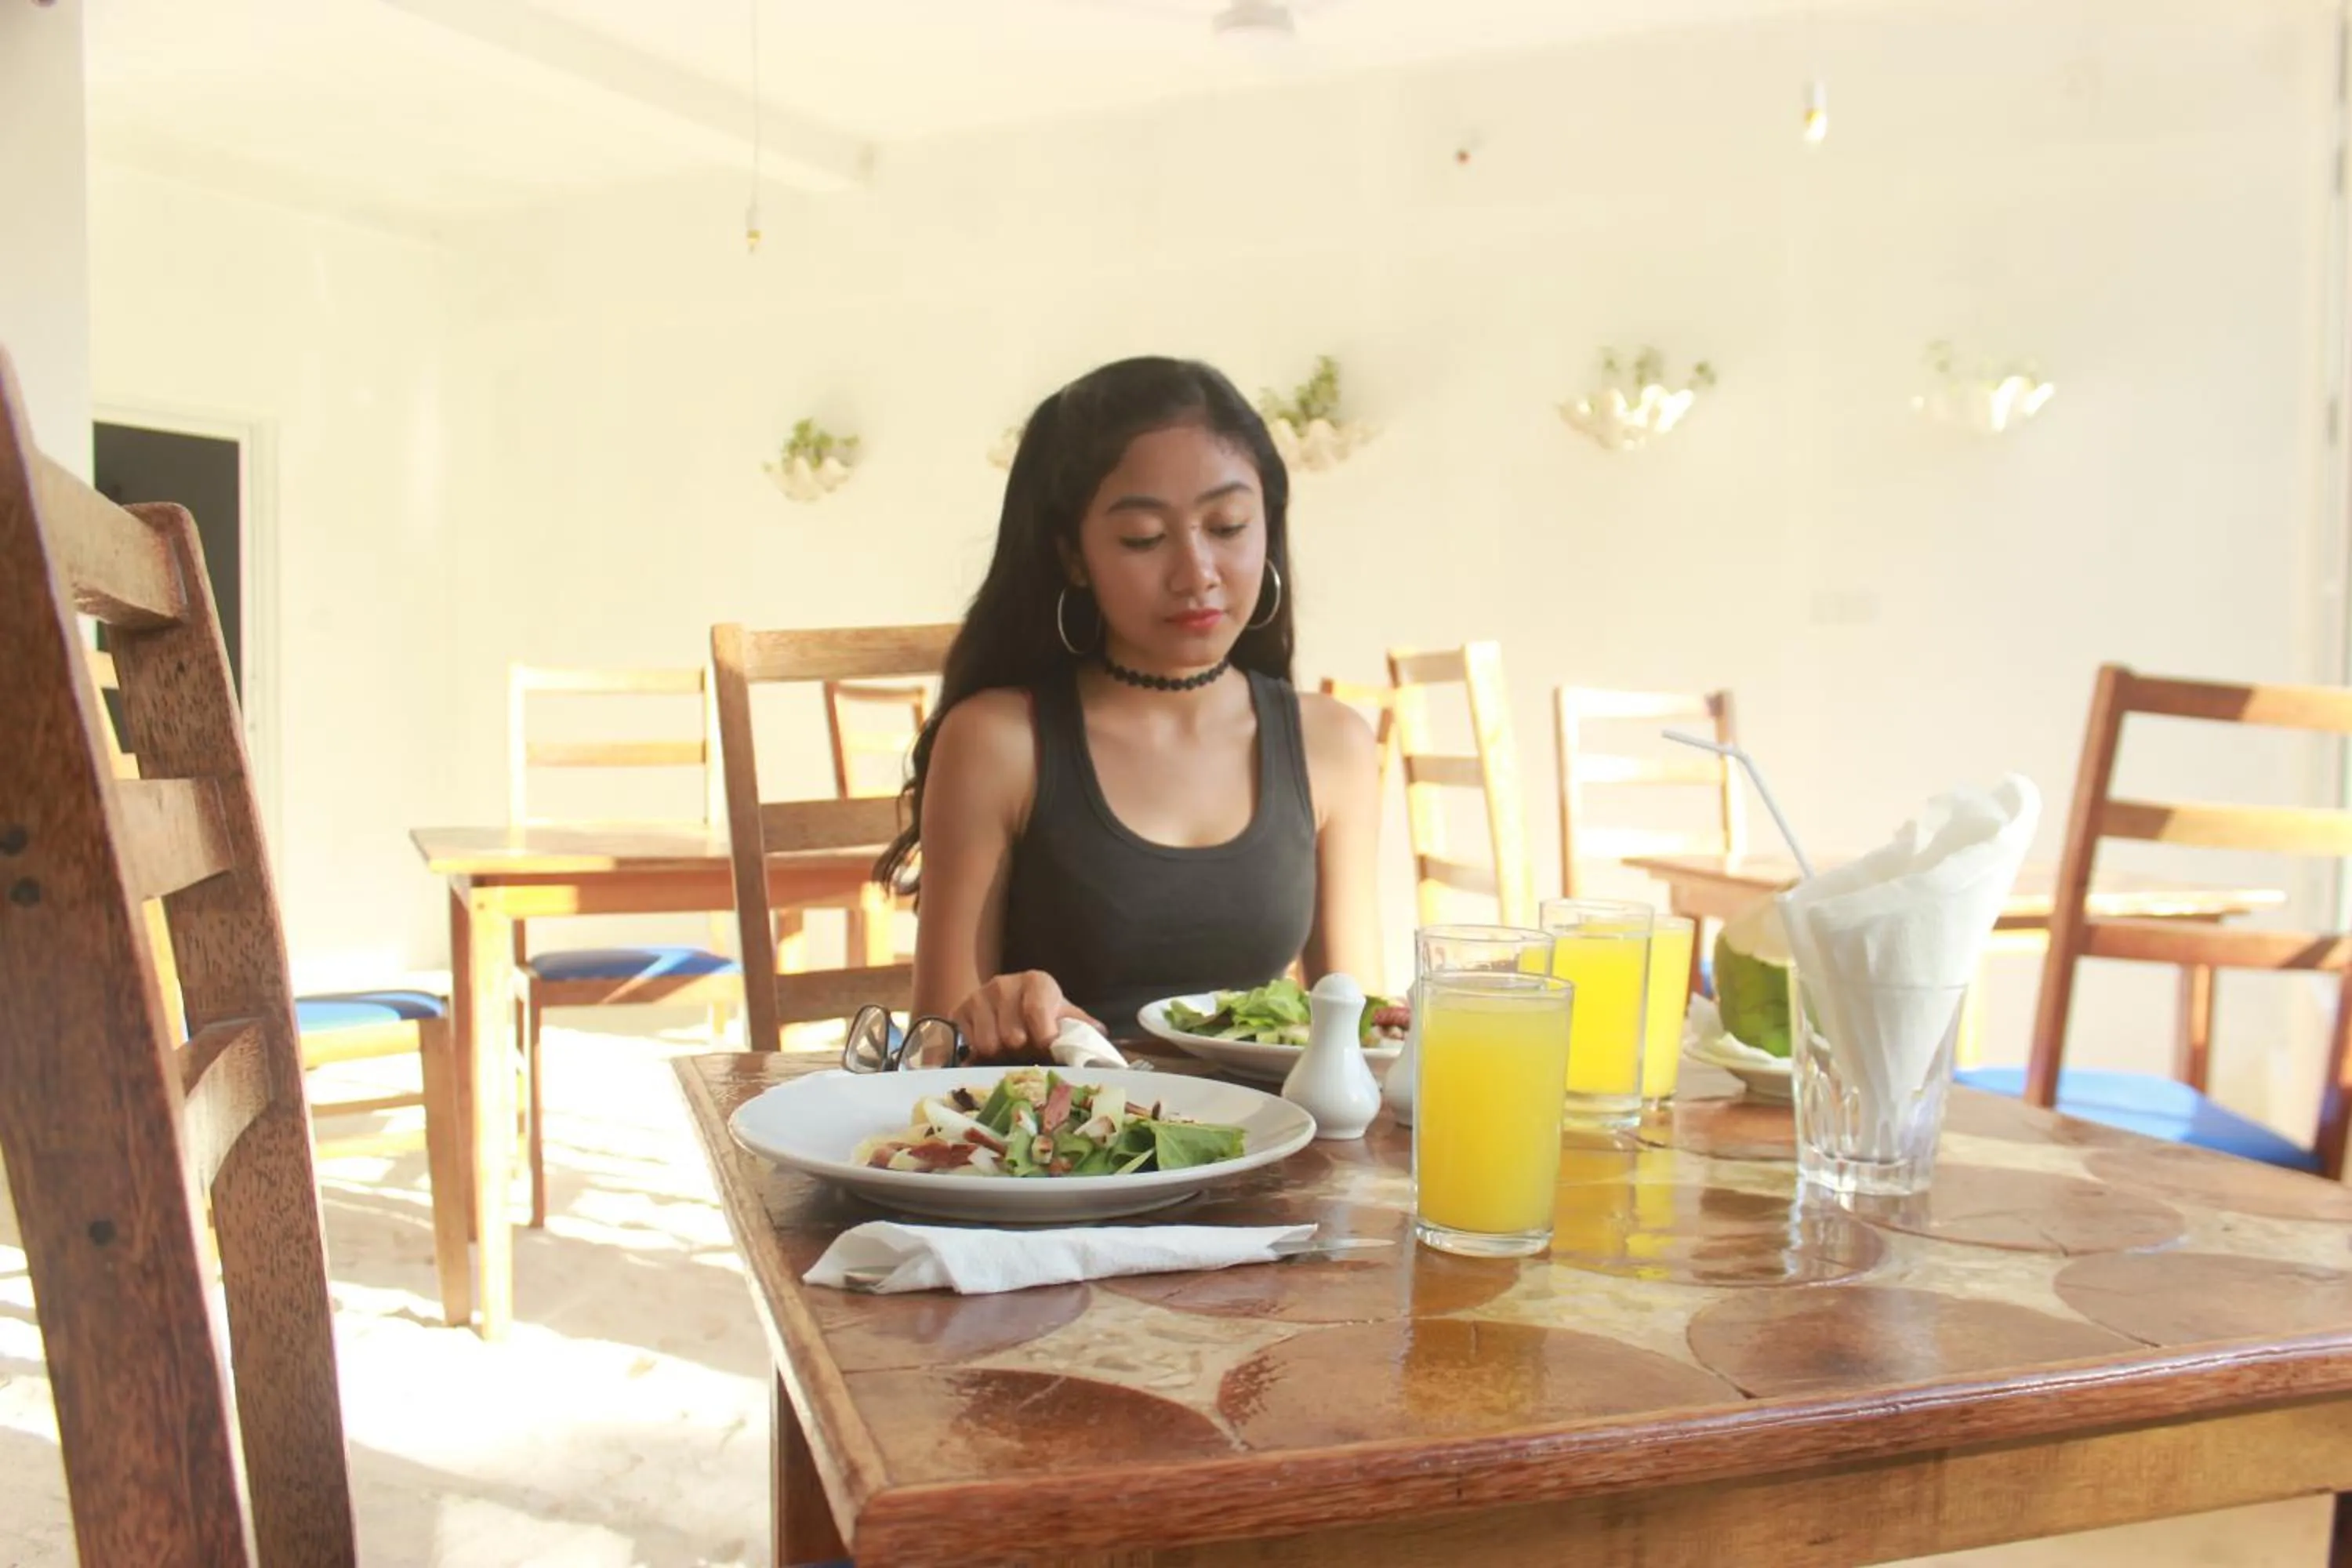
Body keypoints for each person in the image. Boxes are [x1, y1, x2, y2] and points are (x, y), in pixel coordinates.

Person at [877, 356, 1381, 1058]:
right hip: (1064, 1147)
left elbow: (1352, 1037)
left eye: (1229, 526)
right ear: (1074, 557)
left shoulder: (1331, 742)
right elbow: (935, 1047)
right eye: (1144, 538)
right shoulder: (1001, 740)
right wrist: (995, 1014)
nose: (1197, 573)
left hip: (1269, 1151)